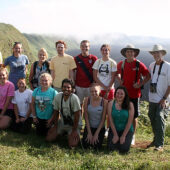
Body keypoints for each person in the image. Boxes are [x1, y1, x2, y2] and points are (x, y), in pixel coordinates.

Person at [117, 44, 150, 145]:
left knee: (134, 116)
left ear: (135, 53)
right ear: (125, 54)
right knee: (123, 114)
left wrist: (140, 84)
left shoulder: (139, 64)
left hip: (135, 94)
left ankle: (132, 135)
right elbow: (116, 73)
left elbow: (148, 75)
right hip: (123, 95)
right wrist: (120, 80)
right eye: (128, 52)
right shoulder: (121, 64)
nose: (130, 53)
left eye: (131, 51)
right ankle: (123, 132)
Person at [46, 79, 82, 148]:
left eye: (68, 87)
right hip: (63, 122)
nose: (66, 89)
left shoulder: (74, 98)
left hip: (74, 124)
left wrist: (74, 130)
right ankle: (63, 133)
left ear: (72, 89)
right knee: (49, 139)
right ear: (61, 88)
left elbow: (77, 116)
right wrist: (55, 126)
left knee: (72, 145)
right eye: (64, 87)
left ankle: (70, 133)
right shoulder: (58, 96)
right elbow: (56, 112)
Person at [147, 44, 170, 151]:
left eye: (158, 52)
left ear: (162, 54)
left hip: (163, 99)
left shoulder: (168, 66)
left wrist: (164, 98)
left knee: (159, 118)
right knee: (152, 117)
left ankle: (159, 144)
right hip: (152, 98)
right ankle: (156, 139)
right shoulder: (151, 65)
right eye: (154, 53)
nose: (156, 54)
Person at [93, 44, 117, 136]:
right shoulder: (97, 62)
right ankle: (100, 127)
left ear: (109, 51)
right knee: (100, 109)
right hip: (99, 89)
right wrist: (102, 86)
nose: (105, 51)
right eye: (103, 50)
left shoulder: (112, 63)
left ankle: (108, 128)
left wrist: (108, 88)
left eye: (106, 50)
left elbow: (113, 77)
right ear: (101, 51)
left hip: (110, 89)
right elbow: (95, 76)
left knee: (109, 110)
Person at [107, 86, 134, 153]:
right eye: (118, 93)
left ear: (125, 95)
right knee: (111, 148)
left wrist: (123, 136)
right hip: (114, 129)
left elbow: (129, 122)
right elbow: (110, 120)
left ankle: (126, 139)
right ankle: (116, 138)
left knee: (123, 149)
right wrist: (115, 135)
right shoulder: (111, 103)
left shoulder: (130, 104)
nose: (119, 95)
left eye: (121, 94)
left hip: (126, 130)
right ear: (115, 94)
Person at [82, 83, 107, 149]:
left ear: (99, 91)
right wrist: (89, 133)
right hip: (89, 127)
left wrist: (96, 134)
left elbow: (103, 120)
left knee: (96, 146)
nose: (94, 93)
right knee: (86, 145)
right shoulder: (86, 100)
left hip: (99, 128)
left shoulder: (104, 102)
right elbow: (86, 118)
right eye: (92, 91)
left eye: (95, 91)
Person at [74, 40, 98, 104]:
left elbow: (96, 72)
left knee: (90, 104)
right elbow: (73, 72)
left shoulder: (94, 58)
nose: (84, 48)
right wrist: (73, 84)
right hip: (79, 86)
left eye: (86, 46)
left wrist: (95, 83)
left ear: (89, 47)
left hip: (90, 86)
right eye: (82, 46)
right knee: (79, 104)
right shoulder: (76, 59)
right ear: (80, 47)